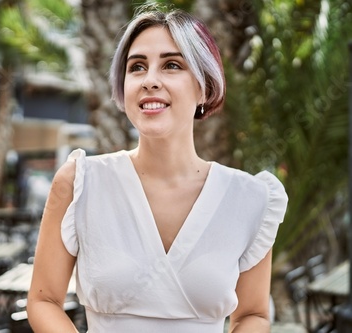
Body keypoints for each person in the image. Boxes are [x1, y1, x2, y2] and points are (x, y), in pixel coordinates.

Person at [27, 6, 288, 333]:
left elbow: (253, 314)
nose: (150, 80)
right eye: (137, 67)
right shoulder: (80, 183)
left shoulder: (250, 198)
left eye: (172, 65)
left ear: (204, 87)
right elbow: (43, 300)